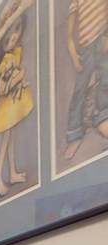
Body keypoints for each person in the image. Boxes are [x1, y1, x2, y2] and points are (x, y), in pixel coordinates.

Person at [0, 0, 36, 197]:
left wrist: (20, 79)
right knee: (7, 139)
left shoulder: (16, 53)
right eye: (8, 38)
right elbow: (3, 88)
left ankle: (12, 172)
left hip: (14, 104)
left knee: (12, 137)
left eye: (17, 29)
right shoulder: (6, 62)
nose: (14, 37)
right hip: (7, 107)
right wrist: (19, 77)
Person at [63, 0, 108, 159]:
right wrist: (74, 57)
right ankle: (74, 133)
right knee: (80, 90)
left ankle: (103, 118)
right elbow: (69, 35)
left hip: (103, 39)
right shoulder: (76, 2)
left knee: (105, 81)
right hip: (86, 48)